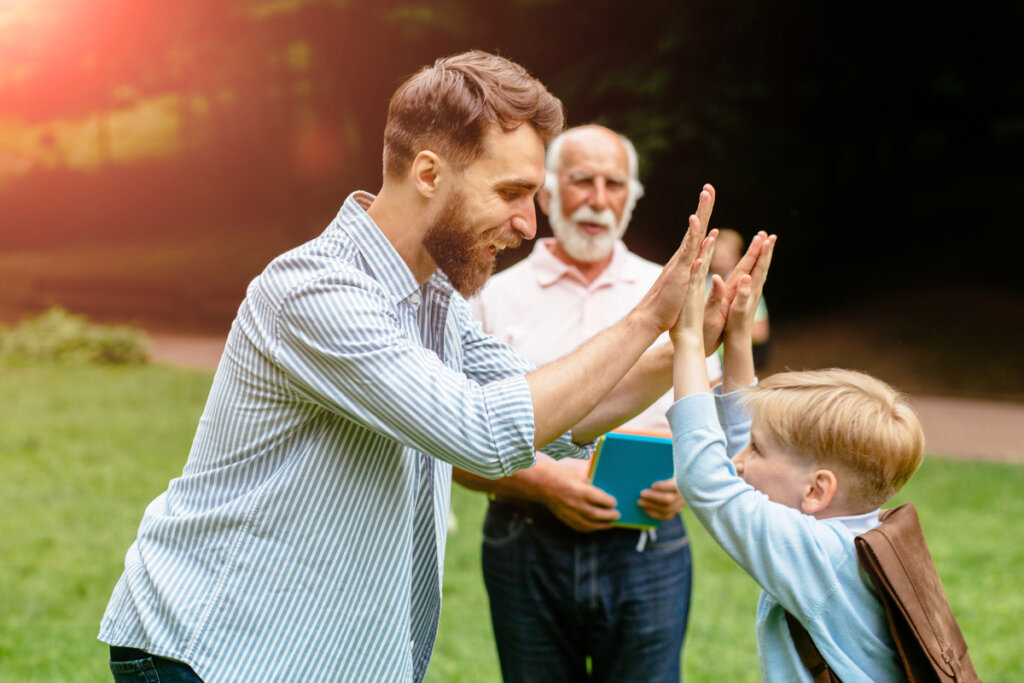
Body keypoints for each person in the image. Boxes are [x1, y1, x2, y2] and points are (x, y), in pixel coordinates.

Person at [98, 50, 719, 683]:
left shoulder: (436, 302)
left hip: (303, 655)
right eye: (511, 192)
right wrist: (645, 318)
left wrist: (683, 342)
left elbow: (555, 411)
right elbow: (483, 434)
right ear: (428, 173)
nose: (529, 224)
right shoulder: (318, 291)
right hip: (214, 649)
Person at [454, 124, 720, 682]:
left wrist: (688, 473)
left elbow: (714, 418)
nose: (599, 200)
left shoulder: (672, 292)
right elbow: (453, 444)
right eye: (582, 181)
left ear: (631, 199)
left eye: (614, 184)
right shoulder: (488, 298)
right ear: (546, 195)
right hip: (525, 537)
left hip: (649, 541)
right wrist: (543, 483)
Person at [668, 229, 927, 681]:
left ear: (816, 488)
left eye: (756, 450)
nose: (740, 460)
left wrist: (689, 341)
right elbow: (746, 441)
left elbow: (706, 479)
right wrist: (739, 334)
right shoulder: (859, 531)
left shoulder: (819, 556)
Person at [709, 227, 771, 369]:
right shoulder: (703, 287)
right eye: (715, 255)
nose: (719, 260)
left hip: (738, 365)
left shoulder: (745, 288)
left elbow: (761, 333)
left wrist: (724, 327)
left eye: (724, 256)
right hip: (711, 366)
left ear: (737, 257)